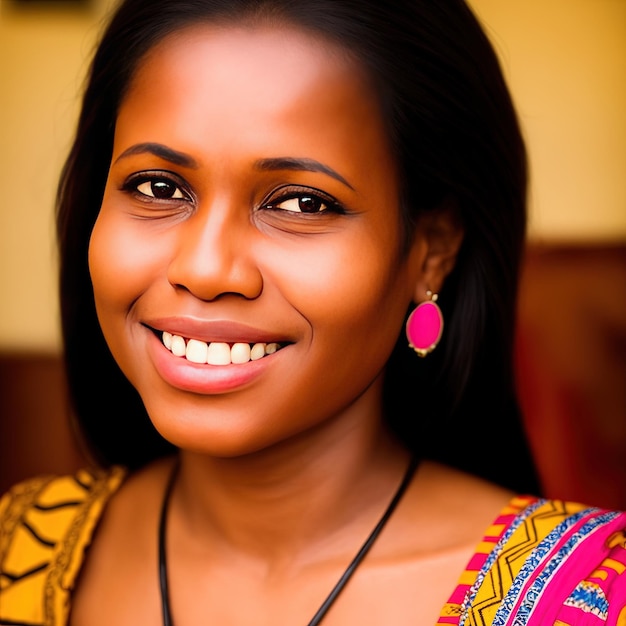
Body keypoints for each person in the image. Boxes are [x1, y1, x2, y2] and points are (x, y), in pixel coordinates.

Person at [1, 0, 624, 624]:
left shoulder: (591, 598)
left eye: (302, 203)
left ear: (431, 249)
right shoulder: (18, 548)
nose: (206, 268)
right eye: (158, 188)